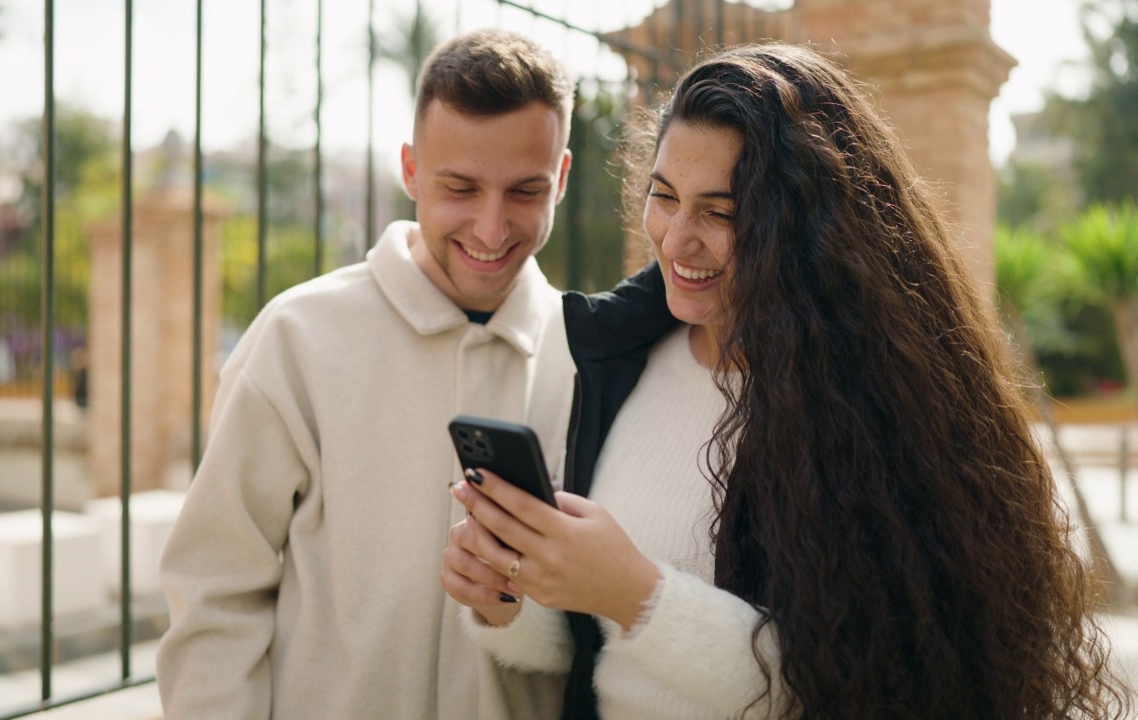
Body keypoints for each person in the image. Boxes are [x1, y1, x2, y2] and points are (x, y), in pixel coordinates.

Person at [442, 42, 1133, 719]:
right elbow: (588, 648)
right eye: (664, 195)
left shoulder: (873, 403)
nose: (678, 238)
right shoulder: (613, 357)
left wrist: (638, 593)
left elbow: (866, 684)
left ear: (803, 227)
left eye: (721, 212)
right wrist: (506, 597)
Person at [156, 29, 578, 719]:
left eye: (525, 191)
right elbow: (215, 594)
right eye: (460, 187)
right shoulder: (295, 338)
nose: (492, 226)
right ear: (411, 170)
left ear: (560, 177)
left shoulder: (587, 357)